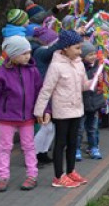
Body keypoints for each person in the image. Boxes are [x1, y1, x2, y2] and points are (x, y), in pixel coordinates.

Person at [0, 36, 43, 192]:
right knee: (4, 147)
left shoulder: (33, 71)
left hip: (27, 117)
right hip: (6, 117)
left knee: (29, 146)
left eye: (29, 52)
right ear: (12, 54)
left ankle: (32, 175)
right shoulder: (1, 73)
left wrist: (44, 110)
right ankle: (3, 177)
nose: (27, 56)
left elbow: (39, 92)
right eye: (23, 53)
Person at [33, 30, 90, 188]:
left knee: (73, 142)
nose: (80, 52)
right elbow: (46, 90)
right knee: (61, 143)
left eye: (80, 48)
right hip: (62, 112)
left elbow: (83, 85)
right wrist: (39, 111)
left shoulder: (79, 63)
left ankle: (71, 171)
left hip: (77, 109)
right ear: (65, 48)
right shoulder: (56, 66)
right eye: (77, 48)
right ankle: (58, 176)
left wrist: (94, 82)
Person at [78, 42, 105, 160]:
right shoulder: (78, 67)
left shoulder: (98, 67)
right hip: (81, 104)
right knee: (79, 129)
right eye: (89, 55)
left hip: (94, 103)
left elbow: (100, 86)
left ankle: (93, 147)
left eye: (94, 54)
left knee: (93, 128)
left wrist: (100, 80)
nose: (93, 56)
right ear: (82, 56)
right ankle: (76, 149)